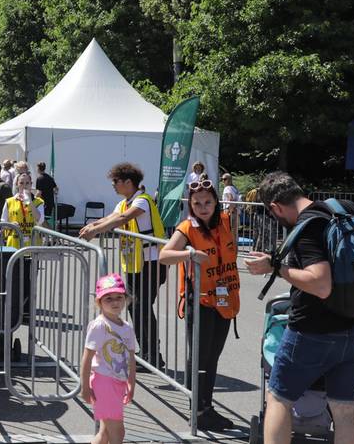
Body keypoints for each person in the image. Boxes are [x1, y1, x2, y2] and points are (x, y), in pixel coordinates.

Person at [244, 171, 354, 444]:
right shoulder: (345, 208)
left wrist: (276, 267)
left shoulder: (306, 227)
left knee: (279, 397)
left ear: (275, 207)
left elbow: (320, 284)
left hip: (311, 330)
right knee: (344, 408)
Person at [158, 178, 239, 431]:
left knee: (213, 357)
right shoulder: (187, 228)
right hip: (201, 300)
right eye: (197, 203)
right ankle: (199, 410)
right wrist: (190, 254)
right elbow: (164, 256)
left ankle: (206, 407)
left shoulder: (226, 221)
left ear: (216, 202)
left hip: (225, 299)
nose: (203, 207)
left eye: (208, 202)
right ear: (191, 205)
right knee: (200, 358)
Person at [79, 162, 167, 367]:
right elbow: (112, 217)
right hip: (136, 262)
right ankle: (147, 353)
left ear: (129, 182)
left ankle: (153, 355)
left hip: (151, 262)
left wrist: (96, 231)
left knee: (142, 307)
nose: (113, 185)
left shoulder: (143, 201)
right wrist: (92, 225)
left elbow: (124, 219)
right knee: (135, 307)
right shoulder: (125, 202)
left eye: (116, 181)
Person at [80, 273, 137, 444]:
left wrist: (131, 383)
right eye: (108, 298)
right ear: (99, 302)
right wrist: (84, 387)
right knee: (118, 433)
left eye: (118, 297)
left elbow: (131, 358)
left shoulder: (126, 327)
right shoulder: (99, 325)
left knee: (105, 433)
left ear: (125, 299)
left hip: (117, 383)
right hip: (104, 382)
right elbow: (87, 357)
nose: (114, 302)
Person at [0, 172, 44, 247]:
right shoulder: (9, 201)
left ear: (31, 184)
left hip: (33, 245)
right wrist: (10, 225)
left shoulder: (38, 202)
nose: (24, 186)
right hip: (14, 245)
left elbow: (40, 220)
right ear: (17, 184)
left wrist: (30, 201)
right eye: (21, 183)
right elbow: (3, 223)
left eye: (27, 183)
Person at [35, 162, 58, 228]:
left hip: (43, 204)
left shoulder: (39, 178)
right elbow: (56, 189)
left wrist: (33, 199)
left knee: (41, 219)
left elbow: (39, 193)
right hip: (50, 203)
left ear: (38, 169)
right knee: (44, 219)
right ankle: (48, 233)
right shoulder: (50, 178)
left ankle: (50, 232)